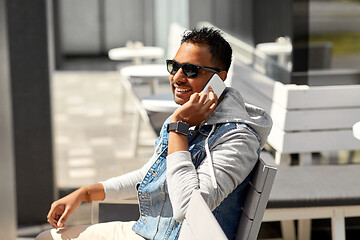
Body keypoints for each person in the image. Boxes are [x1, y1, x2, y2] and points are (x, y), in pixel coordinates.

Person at [36, 27, 272, 240]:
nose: (178, 77)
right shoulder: (187, 117)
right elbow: (151, 175)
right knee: (48, 238)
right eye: (174, 66)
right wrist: (85, 193)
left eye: (191, 70)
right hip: (150, 230)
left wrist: (178, 125)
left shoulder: (237, 138)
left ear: (219, 79)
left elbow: (188, 208)